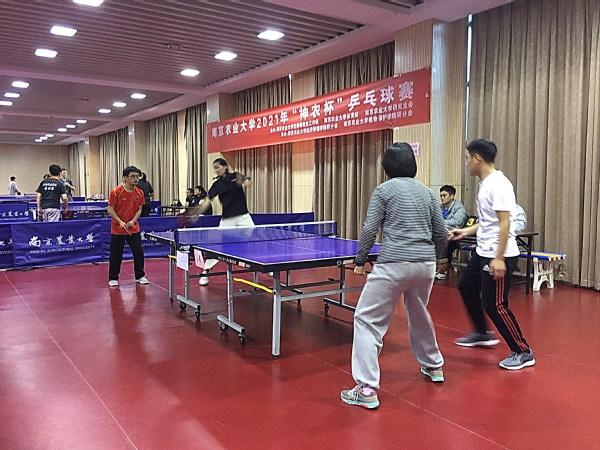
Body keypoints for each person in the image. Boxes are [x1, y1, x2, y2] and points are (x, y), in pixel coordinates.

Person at [340, 142, 449, 410]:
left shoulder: (383, 190)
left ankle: (366, 389)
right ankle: (434, 366)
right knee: (419, 312)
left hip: (394, 263)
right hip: (425, 265)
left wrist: (360, 260)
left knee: (366, 320)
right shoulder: (428, 192)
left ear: (387, 166)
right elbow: (441, 232)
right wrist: (439, 258)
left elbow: (370, 229)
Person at [450, 139, 535, 371]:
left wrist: (498, 259)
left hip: (498, 254)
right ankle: (482, 332)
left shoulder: (499, 184)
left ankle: (523, 351)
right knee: (466, 287)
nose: (466, 163)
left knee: (495, 305)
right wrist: (466, 231)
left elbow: (505, 223)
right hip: (483, 251)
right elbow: (489, 222)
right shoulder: (486, 184)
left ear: (477, 158)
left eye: (467, 158)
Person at [196, 158, 252, 285]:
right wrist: (198, 211)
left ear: (225, 166)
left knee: (256, 239)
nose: (216, 170)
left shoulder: (235, 176)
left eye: (218, 167)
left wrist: (247, 182)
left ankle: (267, 269)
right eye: (214, 168)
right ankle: (205, 271)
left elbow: (247, 181)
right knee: (218, 246)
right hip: (227, 219)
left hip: (243, 216)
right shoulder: (217, 184)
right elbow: (208, 199)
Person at [107, 166, 148, 287]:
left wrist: (133, 220)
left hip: (133, 228)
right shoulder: (116, 192)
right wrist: (120, 222)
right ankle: (113, 278)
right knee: (116, 254)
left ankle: (140, 275)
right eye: (132, 176)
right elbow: (110, 209)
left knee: (138, 252)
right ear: (124, 178)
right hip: (118, 228)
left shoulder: (140, 192)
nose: (135, 179)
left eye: (137, 176)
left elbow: (139, 209)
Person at [435, 185, 467, 279]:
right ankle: (433, 267)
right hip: (441, 233)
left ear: (452, 196)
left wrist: (440, 223)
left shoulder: (459, 208)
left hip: (457, 236)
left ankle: (443, 269)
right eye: (441, 196)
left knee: (445, 241)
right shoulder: (439, 207)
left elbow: (457, 222)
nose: (442, 198)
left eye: (444, 195)